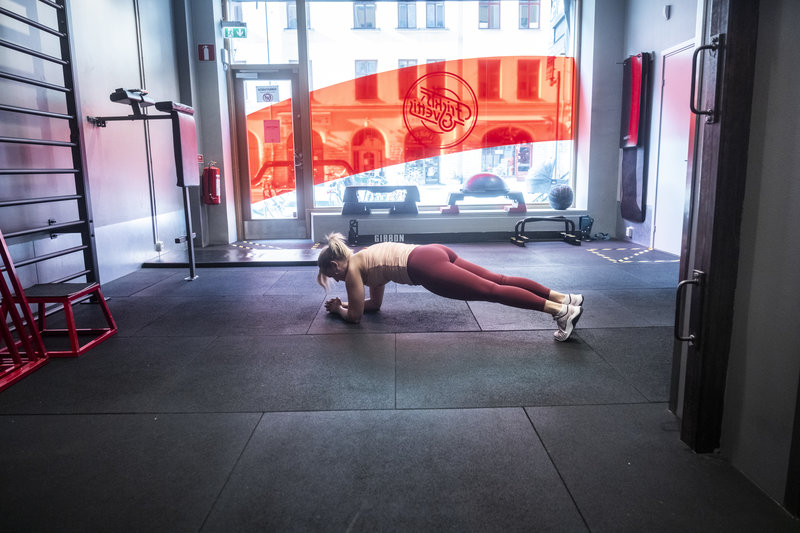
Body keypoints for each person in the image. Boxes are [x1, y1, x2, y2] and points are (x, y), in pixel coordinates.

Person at [317, 232, 584, 341]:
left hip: (425, 268)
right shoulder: (364, 256)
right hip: (432, 251)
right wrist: (349, 304)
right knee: (498, 280)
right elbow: (373, 305)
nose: (338, 281)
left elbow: (355, 318)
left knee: (491, 291)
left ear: (333, 266)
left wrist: (340, 308)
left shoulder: (352, 270)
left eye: (332, 277)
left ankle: (560, 312)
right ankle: (565, 299)